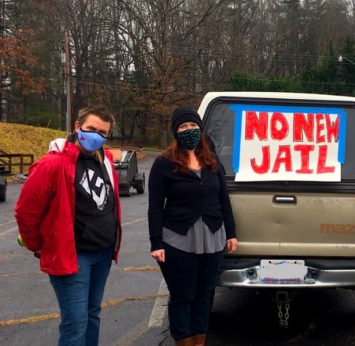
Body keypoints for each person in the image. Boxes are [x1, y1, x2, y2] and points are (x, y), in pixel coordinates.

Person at [15, 105, 123, 346]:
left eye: (103, 132)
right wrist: (39, 246)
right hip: (72, 256)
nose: (97, 136)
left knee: (92, 314)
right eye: (91, 129)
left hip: (103, 253)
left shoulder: (105, 161)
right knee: (75, 323)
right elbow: (25, 210)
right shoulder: (52, 163)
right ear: (77, 127)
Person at [148, 107, 238, 346]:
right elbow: (155, 206)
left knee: (203, 296)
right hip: (177, 239)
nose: (190, 130)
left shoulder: (211, 161)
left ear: (201, 129)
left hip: (213, 238)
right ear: (176, 132)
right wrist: (156, 243)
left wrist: (231, 233)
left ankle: (199, 343)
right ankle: (183, 342)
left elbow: (223, 199)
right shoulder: (163, 163)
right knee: (181, 296)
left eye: (194, 126)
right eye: (184, 127)